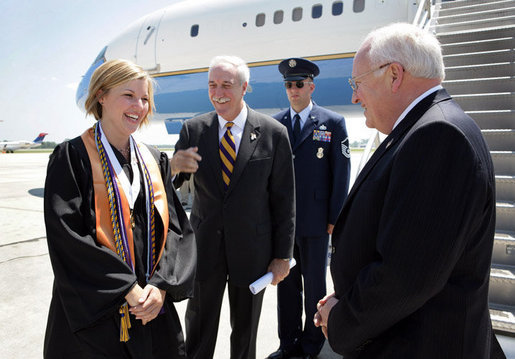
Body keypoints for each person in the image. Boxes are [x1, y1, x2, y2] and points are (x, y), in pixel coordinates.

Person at [313, 23, 505, 359]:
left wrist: (342, 319)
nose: (354, 96)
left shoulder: (439, 136)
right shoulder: (424, 128)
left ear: (394, 75)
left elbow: (406, 276)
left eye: (357, 84)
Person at [43, 59, 196, 359]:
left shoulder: (154, 160)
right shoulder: (71, 158)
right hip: (96, 312)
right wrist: (128, 288)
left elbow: (177, 229)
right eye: (128, 95)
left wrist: (160, 286)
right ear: (101, 95)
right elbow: (68, 236)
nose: (138, 106)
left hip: (151, 309)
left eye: (144, 98)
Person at [171, 55, 295, 359]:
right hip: (205, 249)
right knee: (199, 327)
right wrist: (173, 167)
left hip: (253, 252)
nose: (218, 92)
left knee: (245, 331)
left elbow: (284, 199)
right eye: (212, 85)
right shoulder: (193, 129)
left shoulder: (273, 133)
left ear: (244, 87)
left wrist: (282, 256)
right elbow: (174, 183)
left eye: (226, 85)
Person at [267, 58, 350, 359]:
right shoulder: (275, 124)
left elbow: (341, 173)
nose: (293, 89)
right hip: (284, 225)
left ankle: (312, 345)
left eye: (299, 84)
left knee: (315, 288)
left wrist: (334, 218)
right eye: (288, 84)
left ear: (311, 86)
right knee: (286, 288)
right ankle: (287, 344)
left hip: (317, 223)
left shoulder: (332, 122)